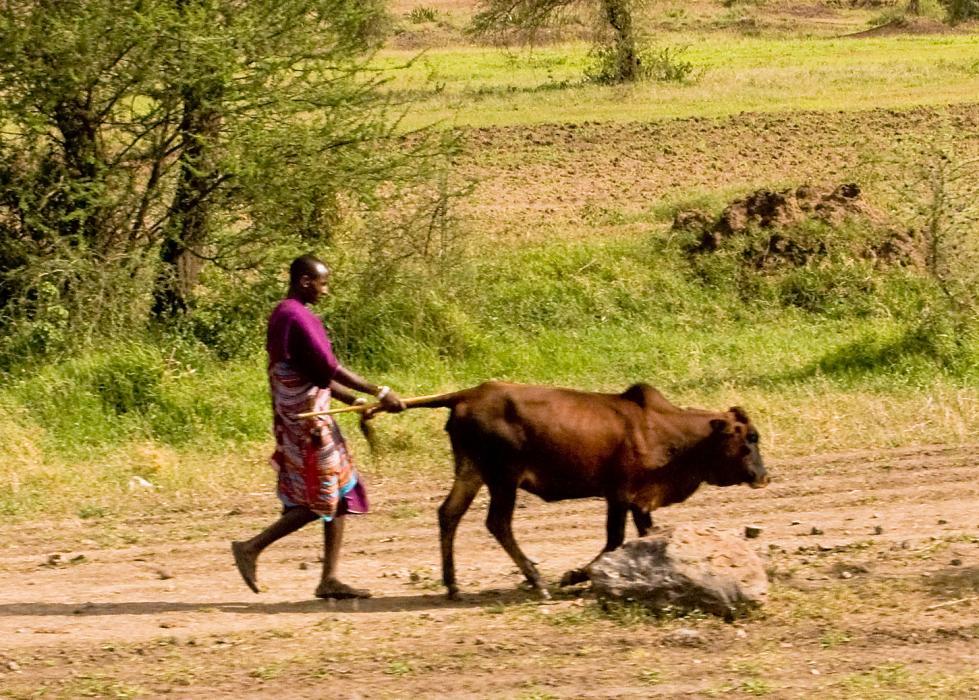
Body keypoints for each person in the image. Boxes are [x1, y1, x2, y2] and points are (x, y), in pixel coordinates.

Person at [232, 254, 405, 599]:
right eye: (323, 283)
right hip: (307, 425)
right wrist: (379, 391)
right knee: (322, 498)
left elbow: (315, 374)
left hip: (308, 417)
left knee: (340, 491)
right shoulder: (296, 315)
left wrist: (353, 402)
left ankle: (329, 579)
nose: (326, 291)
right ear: (305, 281)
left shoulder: (287, 315)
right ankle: (251, 547)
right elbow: (332, 369)